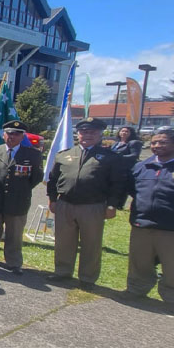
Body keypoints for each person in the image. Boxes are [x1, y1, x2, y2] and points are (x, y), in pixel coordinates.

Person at [46, 117, 127, 289]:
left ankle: (88, 278)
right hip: (65, 204)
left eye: (92, 132)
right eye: (84, 131)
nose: (87, 135)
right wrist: (52, 199)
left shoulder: (110, 157)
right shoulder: (64, 155)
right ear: (78, 134)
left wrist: (112, 205)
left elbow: (118, 183)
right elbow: (53, 180)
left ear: (100, 135)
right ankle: (62, 271)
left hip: (93, 206)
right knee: (63, 241)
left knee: (91, 243)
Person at [123, 128, 174, 314]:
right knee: (140, 261)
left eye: (163, 142)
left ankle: (173, 298)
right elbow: (132, 189)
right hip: (142, 223)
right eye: (154, 142)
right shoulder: (142, 166)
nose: (157, 146)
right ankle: (136, 290)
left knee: (173, 265)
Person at [0, 120, 43, 273]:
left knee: (14, 233)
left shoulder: (32, 154)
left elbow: (36, 177)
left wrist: (19, 188)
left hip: (18, 200)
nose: (12, 137)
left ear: (22, 136)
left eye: (16, 134)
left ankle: (13, 262)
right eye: (9, 133)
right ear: (3, 135)